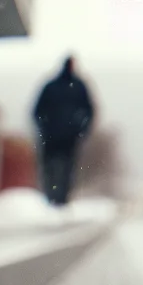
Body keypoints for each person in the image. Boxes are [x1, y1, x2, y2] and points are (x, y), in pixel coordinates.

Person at [33, 56, 94, 206]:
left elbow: (89, 111)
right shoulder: (75, 86)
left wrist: (81, 129)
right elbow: (37, 112)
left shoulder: (62, 86)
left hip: (61, 137)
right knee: (59, 169)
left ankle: (57, 199)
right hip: (58, 136)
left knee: (60, 169)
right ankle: (56, 199)